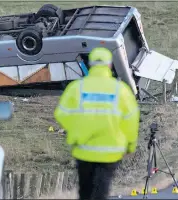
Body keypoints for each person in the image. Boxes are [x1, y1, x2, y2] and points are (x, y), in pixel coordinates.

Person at [54, 47, 140, 200]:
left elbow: (61, 114)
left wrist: (75, 132)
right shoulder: (121, 90)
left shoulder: (76, 88)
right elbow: (131, 120)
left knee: (85, 191)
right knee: (102, 190)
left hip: (84, 149)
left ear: (90, 65)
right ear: (109, 65)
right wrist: (130, 145)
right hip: (111, 150)